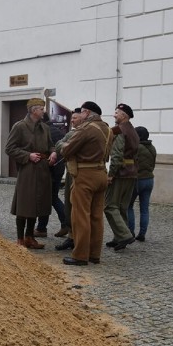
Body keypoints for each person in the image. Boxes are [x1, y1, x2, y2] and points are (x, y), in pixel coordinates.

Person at [56, 101, 111, 265]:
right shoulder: (107, 129)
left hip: (85, 175)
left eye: (83, 112)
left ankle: (80, 255)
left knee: (80, 216)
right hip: (101, 173)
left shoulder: (87, 128)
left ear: (87, 112)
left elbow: (66, 149)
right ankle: (94, 254)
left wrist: (61, 144)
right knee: (96, 217)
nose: (81, 115)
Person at [5, 97, 54, 249]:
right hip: (27, 170)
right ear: (34, 110)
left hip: (43, 170)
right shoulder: (19, 127)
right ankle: (20, 239)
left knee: (37, 205)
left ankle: (30, 237)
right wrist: (28, 156)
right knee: (24, 204)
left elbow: (51, 145)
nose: (44, 111)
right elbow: (10, 148)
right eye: (41, 109)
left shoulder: (45, 128)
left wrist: (53, 153)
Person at [104, 103, 139, 252]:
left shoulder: (119, 130)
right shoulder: (133, 130)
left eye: (117, 112)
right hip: (131, 172)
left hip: (120, 173)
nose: (114, 115)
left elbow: (117, 155)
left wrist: (111, 174)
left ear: (124, 115)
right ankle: (119, 237)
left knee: (110, 205)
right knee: (122, 206)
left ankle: (124, 235)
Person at [53, 108, 83, 251]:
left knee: (74, 205)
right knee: (71, 204)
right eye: (72, 118)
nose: (72, 121)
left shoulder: (76, 133)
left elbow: (61, 145)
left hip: (76, 172)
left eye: (75, 118)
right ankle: (72, 235)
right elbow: (59, 145)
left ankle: (75, 237)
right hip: (73, 169)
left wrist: (65, 146)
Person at [36, 117, 70, 238]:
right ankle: (43, 227)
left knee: (49, 198)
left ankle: (44, 227)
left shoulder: (45, 131)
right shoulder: (58, 131)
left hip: (50, 169)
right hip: (59, 168)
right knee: (50, 197)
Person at [127, 126, 156, 242]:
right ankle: (142, 234)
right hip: (149, 179)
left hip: (137, 180)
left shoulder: (136, 147)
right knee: (144, 209)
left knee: (128, 206)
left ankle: (130, 232)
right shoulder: (152, 148)